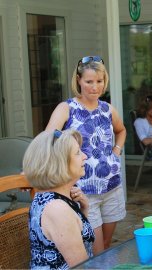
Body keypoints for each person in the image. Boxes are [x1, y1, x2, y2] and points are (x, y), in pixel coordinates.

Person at [46, 56, 127, 255]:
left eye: (99, 81)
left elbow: (121, 130)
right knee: (96, 250)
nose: (94, 87)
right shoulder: (67, 108)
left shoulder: (108, 109)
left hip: (112, 187)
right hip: (84, 191)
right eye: (89, 81)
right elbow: (47, 139)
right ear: (79, 81)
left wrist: (116, 151)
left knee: (106, 245)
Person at [23, 129, 95, 268]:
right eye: (78, 152)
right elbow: (81, 267)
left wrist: (84, 209)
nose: (85, 156)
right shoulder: (58, 209)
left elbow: (79, 238)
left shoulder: (47, 196)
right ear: (60, 162)